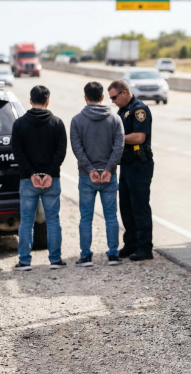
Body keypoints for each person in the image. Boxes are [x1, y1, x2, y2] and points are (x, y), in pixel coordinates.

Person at [11, 85, 68, 271]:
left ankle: (25, 261)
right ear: (48, 101)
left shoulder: (19, 124)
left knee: (26, 221)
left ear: (30, 101)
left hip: (28, 180)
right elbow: (61, 152)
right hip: (52, 180)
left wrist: (32, 173)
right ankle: (55, 260)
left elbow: (17, 153)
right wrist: (49, 173)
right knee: (53, 220)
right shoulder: (57, 123)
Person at [69, 81, 125, 267]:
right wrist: (108, 169)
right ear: (102, 97)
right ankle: (113, 254)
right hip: (109, 176)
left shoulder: (77, 120)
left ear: (86, 98)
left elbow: (77, 148)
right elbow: (119, 147)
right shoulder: (115, 119)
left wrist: (91, 169)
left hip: (87, 176)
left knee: (86, 217)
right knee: (111, 216)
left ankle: (86, 256)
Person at [107, 80, 154, 262]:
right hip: (126, 164)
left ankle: (145, 247)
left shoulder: (139, 110)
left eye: (114, 97)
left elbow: (139, 137)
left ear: (124, 92)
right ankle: (131, 243)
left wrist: (116, 138)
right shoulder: (122, 111)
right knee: (125, 206)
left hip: (140, 165)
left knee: (139, 206)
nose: (112, 101)